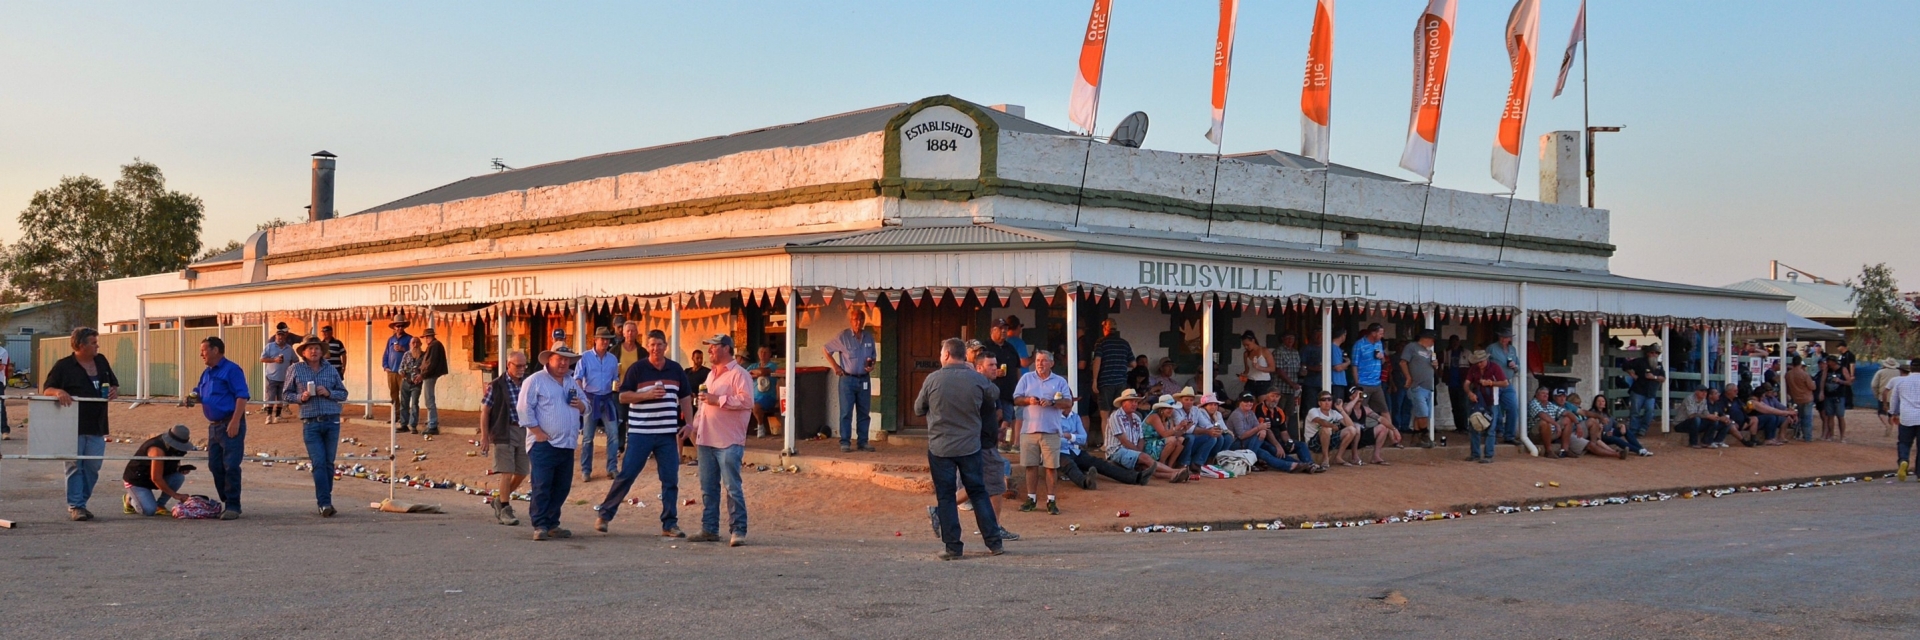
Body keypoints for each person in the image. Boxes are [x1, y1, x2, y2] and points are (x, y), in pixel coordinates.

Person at [595, 329, 693, 537]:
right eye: (652, 345)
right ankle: (605, 514)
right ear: (647, 347)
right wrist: (646, 395)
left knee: (670, 479)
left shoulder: (675, 369)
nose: (656, 348)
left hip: (667, 434)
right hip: (641, 433)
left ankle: (669, 524)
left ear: (666, 346)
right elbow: (623, 397)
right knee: (627, 474)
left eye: (659, 344)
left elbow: (685, 396)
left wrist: (690, 423)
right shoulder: (637, 369)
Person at [914, 337, 1005, 561]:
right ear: (964, 356)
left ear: (946, 355)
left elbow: (918, 409)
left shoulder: (933, 379)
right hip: (970, 446)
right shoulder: (976, 379)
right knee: (978, 492)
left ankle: (953, 547)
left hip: (941, 447)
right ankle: (994, 542)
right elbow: (994, 393)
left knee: (946, 497)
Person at [44, 327, 121, 521]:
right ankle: (76, 505)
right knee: (74, 466)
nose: (97, 346)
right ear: (80, 345)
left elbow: (113, 383)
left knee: (93, 467)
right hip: (72, 425)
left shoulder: (101, 361)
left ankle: (82, 502)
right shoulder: (64, 366)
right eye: (93, 343)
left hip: (98, 425)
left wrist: (114, 390)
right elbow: (47, 389)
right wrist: (58, 392)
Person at [518, 344, 587, 541]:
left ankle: (552, 523)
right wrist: (537, 432)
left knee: (562, 486)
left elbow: (587, 405)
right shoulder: (535, 380)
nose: (564, 363)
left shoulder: (571, 382)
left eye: (567, 359)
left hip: (567, 443)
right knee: (542, 485)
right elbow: (523, 408)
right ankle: (540, 524)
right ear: (549, 359)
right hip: (544, 444)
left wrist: (581, 405)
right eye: (559, 359)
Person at [690, 334, 753, 546]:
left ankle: (738, 530)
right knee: (708, 488)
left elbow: (746, 401)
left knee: (732, 487)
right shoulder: (711, 375)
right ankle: (709, 529)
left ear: (726, 348)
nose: (709, 350)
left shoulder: (740, 374)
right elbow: (704, 405)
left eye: (713, 346)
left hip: (728, 441)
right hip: (706, 439)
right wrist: (694, 426)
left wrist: (718, 400)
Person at [954, 342, 1021, 540]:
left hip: (986, 443)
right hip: (981, 445)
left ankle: (942, 510)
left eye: (995, 364)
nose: (995, 368)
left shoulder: (988, 387)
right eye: (991, 365)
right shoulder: (977, 388)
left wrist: (996, 432)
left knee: (979, 484)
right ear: (979, 368)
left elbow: (987, 416)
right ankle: (994, 527)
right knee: (996, 485)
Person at [284, 336, 349, 516]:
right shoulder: (295, 369)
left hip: (332, 420)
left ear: (322, 351)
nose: (314, 351)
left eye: (317, 348)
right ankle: (325, 503)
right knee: (318, 463)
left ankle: (325, 500)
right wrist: (301, 397)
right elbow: (286, 394)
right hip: (310, 422)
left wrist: (329, 392)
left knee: (328, 464)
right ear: (303, 352)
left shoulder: (330, 369)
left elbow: (343, 393)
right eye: (310, 348)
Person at [192, 336, 249, 520]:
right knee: (215, 465)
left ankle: (233, 506)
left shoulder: (232, 370)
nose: (201, 354)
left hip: (229, 423)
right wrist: (192, 397)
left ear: (215, 350)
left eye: (204, 350)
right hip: (214, 427)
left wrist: (235, 421)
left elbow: (242, 396)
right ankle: (226, 499)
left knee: (231, 465)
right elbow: (199, 391)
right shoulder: (206, 373)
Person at [1013, 350, 1072, 515]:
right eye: (1038, 360)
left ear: (1051, 363)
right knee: (1030, 466)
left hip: (1051, 430)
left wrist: (1052, 402)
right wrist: (1028, 400)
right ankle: (1031, 499)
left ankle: (1051, 501)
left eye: (1044, 360)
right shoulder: (1026, 378)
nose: (1039, 363)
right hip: (1029, 430)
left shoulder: (1060, 381)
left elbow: (1068, 402)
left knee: (1051, 467)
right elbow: (1016, 399)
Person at [480, 350, 531, 526]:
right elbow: (485, 411)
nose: (522, 369)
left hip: (524, 430)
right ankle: (505, 508)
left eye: (524, 365)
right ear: (509, 365)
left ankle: (499, 500)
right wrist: (485, 436)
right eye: (518, 366)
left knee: (522, 471)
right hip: (504, 430)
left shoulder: (528, 382)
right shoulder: (496, 385)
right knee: (506, 471)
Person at [1103, 390, 1190, 483]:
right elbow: (1123, 441)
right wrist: (1139, 453)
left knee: (1146, 467)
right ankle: (1174, 471)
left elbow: (1141, 439)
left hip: (1133, 450)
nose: (1134, 404)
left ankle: (1172, 475)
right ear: (1123, 403)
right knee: (1145, 459)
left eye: (1136, 402)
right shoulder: (1116, 416)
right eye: (1131, 401)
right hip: (1116, 451)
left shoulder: (1136, 417)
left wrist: (1138, 452)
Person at [824, 306, 877, 453]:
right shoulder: (843, 336)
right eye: (855, 319)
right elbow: (826, 349)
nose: (858, 322)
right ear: (851, 321)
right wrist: (836, 366)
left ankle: (863, 442)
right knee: (846, 412)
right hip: (847, 380)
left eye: (861, 319)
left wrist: (871, 365)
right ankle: (845, 442)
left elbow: (873, 357)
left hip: (864, 379)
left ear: (864, 321)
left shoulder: (869, 337)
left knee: (864, 412)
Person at [574, 327, 624, 481]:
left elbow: (615, 378)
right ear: (595, 340)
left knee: (613, 435)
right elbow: (577, 378)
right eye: (602, 339)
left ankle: (612, 468)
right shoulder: (585, 357)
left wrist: (617, 383)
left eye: (607, 339)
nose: (605, 342)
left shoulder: (612, 359)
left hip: (607, 399)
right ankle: (586, 470)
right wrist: (582, 396)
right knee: (588, 437)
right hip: (590, 400)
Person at [1225, 392, 1319, 473]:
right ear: (1239, 402)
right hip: (1237, 444)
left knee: (1269, 450)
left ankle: (1301, 465)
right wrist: (1259, 428)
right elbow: (1241, 435)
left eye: (1250, 401)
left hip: (1251, 443)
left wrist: (1262, 429)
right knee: (1263, 449)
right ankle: (1291, 465)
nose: (1249, 403)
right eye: (1245, 401)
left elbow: (1262, 427)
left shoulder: (1251, 413)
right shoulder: (1237, 414)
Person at [121, 424, 197, 517]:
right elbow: (156, 478)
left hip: (153, 476)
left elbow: (170, 464)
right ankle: (129, 499)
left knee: (178, 477)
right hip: (137, 480)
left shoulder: (176, 449)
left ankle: (160, 505)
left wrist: (179, 468)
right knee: (149, 510)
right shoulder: (157, 450)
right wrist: (175, 495)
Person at [983, 319, 1024, 452]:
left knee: (1008, 419)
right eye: (1000, 329)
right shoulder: (985, 347)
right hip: (990, 392)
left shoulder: (1010, 348)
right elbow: (978, 368)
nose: (1004, 331)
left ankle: (1004, 444)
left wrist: (1020, 387)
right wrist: (994, 372)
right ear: (992, 331)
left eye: (1005, 328)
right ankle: (993, 444)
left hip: (1008, 392)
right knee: (994, 419)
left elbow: (1017, 368)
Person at [1462, 349, 1505, 463]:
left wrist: (1491, 383)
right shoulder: (1473, 369)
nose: (1479, 364)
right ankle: (1475, 454)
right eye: (1477, 362)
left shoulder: (1495, 367)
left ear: (1486, 359)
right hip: (1477, 400)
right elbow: (1466, 383)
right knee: (1474, 425)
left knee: (1491, 428)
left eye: (1481, 361)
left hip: (1491, 401)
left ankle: (1488, 455)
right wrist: (1469, 393)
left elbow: (1505, 383)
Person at [1400, 330, 1439, 447]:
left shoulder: (1430, 351)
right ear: (1426, 338)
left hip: (1428, 386)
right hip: (1417, 385)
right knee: (1423, 413)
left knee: (1420, 412)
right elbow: (1403, 362)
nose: (1432, 343)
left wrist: (1435, 365)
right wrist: (1408, 377)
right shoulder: (1412, 347)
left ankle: (1416, 438)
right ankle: (1424, 435)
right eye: (1432, 340)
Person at [1091, 318, 1133, 424]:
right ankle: (1115, 434)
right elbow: (1133, 363)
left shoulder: (1101, 342)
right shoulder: (1124, 343)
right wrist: (1121, 362)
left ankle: (1106, 435)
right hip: (1121, 382)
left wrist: (1094, 380)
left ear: (1105, 329)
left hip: (1105, 382)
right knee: (1117, 414)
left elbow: (1097, 361)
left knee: (1105, 415)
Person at [1305, 391, 1361, 467]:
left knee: (1352, 430)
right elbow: (1321, 421)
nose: (1327, 402)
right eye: (1323, 400)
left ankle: (1338, 457)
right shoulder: (1313, 411)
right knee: (1325, 429)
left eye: (1329, 399)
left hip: (1329, 440)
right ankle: (1325, 458)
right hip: (1313, 443)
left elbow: (1350, 425)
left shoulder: (1334, 412)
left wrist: (1341, 409)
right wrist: (1332, 426)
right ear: (1319, 403)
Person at [1561, 392, 1625, 459]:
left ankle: (1615, 450)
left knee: (1593, 423)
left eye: (1578, 404)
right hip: (1571, 433)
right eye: (1575, 403)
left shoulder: (1577, 411)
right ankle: (1617, 454)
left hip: (1585, 433)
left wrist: (1601, 421)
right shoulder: (1565, 409)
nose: (1577, 406)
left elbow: (1586, 414)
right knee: (1593, 443)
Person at [1624, 343, 1664, 447]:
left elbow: (1663, 378)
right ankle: (1633, 431)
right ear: (1647, 353)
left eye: (1656, 353)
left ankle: (1643, 429)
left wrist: (1654, 377)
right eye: (1652, 352)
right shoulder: (1640, 361)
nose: (1654, 354)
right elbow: (1625, 365)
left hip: (1651, 393)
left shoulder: (1659, 365)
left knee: (1650, 411)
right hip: (1638, 390)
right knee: (1635, 412)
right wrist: (1632, 375)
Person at [1344, 387, 1398, 465]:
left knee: (1383, 427)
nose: (1360, 395)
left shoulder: (1365, 409)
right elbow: (1346, 410)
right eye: (1356, 393)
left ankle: (1376, 457)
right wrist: (1356, 399)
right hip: (1348, 438)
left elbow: (1381, 419)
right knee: (1357, 427)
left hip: (1361, 437)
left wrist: (1394, 429)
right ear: (1350, 397)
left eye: (1361, 393)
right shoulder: (1346, 405)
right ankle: (1354, 457)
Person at [1487, 329, 1523, 444]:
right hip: (1494, 382)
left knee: (1513, 407)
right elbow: (1484, 364)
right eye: (1502, 337)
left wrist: (1515, 366)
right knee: (1494, 409)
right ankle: (1494, 435)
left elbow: (1518, 366)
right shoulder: (1491, 348)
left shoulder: (1512, 349)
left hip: (1507, 382)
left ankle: (1509, 436)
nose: (1503, 339)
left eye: (1506, 337)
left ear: (1510, 339)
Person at [1888, 359, 1920, 481]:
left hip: (1906, 417)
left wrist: (1893, 413)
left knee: (1904, 442)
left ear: (1911, 368)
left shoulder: (1901, 381)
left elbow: (1894, 399)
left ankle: (1903, 460)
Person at [381, 315, 413, 428]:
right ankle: (396, 415)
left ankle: (405, 418)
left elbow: (414, 353)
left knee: (404, 395)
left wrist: (403, 349)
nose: (399, 328)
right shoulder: (391, 339)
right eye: (397, 326)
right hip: (392, 371)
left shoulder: (409, 339)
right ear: (394, 327)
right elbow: (386, 353)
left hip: (403, 372)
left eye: (401, 326)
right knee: (393, 395)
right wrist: (385, 366)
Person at [259, 325, 295, 425]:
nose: (280, 337)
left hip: (284, 378)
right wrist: (274, 360)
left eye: (282, 335)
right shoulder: (269, 346)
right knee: (270, 397)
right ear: (275, 336)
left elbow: (295, 360)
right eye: (278, 335)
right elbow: (262, 359)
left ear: (285, 337)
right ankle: (269, 416)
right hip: (272, 377)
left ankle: (278, 416)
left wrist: (290, 369)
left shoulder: (289, 348)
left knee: (281, 398)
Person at [417, 327, 448, 435]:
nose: (426, 340)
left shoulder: (434, 346)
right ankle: (431, 421)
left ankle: (433, 424)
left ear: (428, 337)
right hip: (430, 374)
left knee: (429, 399)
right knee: (429, 399)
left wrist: (422, 374)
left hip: (430, 375)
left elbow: (430, 363)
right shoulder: (434, 345)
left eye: (426, 337)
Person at [748, 345, 783, 438]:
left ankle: (760, 426)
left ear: (770, 354)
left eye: (765, 352)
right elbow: (744, 375)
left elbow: (763, 372)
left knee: (755, 406)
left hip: (768, 397)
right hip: (753, 396)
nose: (763, 354)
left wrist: (754, 373)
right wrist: (756, 373)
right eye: (761, 352)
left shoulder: (772, 365)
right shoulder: (753, 366)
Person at [1142, 395, 1186, 469]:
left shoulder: (1168, 418)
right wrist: (1178, 426)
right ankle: (1161, 465)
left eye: (1172, 408)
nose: (1171, 410)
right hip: (1148, 445)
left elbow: (1173, 434)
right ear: (1161, 409)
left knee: (1181, 440)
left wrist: (1184, 429)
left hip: (1159, 442)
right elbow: (1164, 434)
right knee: (1172, 440)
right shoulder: (1154, 416)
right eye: (1168, 408)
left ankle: (1170, 467)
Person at [1816, 356, 1851, 442]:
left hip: (1839, 395)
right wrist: (1821, 392)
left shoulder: (1842, 369)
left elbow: (1849, 382)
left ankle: (1842, 436)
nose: (1828, 364)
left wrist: (1840, 381)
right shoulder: (1827, 370)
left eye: (1829, 362)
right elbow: (1823, 381)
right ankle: (1831, 435)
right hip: (1829, 395)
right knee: (1830, 416)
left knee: (1840, 416)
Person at [1274, 333, 1303, 432]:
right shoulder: (1279, 351)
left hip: (1291, 390)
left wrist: (1302, 372)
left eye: (1292, 338)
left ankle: (1284, 432)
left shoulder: (1295, 352)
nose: (1290, 340)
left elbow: (1298, 368)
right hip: (1281, 388)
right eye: (1288, 338)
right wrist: (1292, 384)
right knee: (1278, 411)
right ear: (1282, 339)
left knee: (1288, 413)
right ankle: (1277, 433)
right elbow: (1279, 370)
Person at [1783, 355, 1817, 442]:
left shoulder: (1788, 374)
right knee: (1807, 418)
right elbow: (1812, 387)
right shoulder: (1804, 374)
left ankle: (1797, 434)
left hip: (1796, 398)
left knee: (1798, 417)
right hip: (1807, 398)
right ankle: (1807, 437)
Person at [1237, 330, 1276, 399]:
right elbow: (1247, 370)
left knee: (1262, 403)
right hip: (1251, 381)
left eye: (1247, 345)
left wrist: (1259, 367)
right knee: (1249, 402)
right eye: (1244, 345)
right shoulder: (1246, 354)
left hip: (1263, 382)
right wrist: (1243, 375)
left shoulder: (1264, 351)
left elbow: (1272, 368)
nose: (1246, 347)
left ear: (1253, 341)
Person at [397, 339, 424, 435]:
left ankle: (413, 426)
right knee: (404, 404)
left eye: (417, 342)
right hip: (405, 382)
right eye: (413, 343)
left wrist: (421, 376)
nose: (415, 345)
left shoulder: (423, 356)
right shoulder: (406, 354)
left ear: (420, 344)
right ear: (410, 344)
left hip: (416, 384)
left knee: (414, 404)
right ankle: (404, 425)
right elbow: (400, 367)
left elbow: (426, 369)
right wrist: (401, 372)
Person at [1873, 357, 1903, 437]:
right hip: (1896, 396)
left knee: (1881, 413)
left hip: (1884, 395)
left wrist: (1876, 394)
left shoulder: (1880, 372)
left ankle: (1887, 425)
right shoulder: (1899, 372)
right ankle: (1892, 428)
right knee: (1892, 413)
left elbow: (1874, 385)